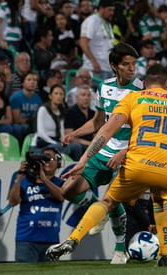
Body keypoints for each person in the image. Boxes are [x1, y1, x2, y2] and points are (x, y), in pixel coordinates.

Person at [46, 64, 167, 267]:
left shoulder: (134, 98)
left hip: (138, 164)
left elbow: (105, 131)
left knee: (108, 202)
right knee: (161, 200)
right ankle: (164, 255)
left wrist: (84, 159)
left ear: (144, 84)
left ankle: (72, 239)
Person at [55, 43, 143, 265]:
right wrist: (74, 133)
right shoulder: (104, 87)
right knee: (69, 190)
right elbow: (97, 122)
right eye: (126, 64)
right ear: (114, 66)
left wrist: (124, 152)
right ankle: (99, 211)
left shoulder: (142, 90)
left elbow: (146, 130)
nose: (132, 68)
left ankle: (120, 250)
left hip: (128, 154)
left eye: (134, 64)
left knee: (112, 199)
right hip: (103, 151)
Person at [8, 147, 64, 262]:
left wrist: (44, 179)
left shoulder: (60, 183)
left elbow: (61, 196)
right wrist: (18, 178)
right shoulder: (25, 182)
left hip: (51, 240)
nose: (47, 162)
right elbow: (13, 202)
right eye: (44, 159)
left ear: (58, 163)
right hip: (26, 240)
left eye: (51, 158)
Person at [31, 84, 82, 161]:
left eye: (61, 94)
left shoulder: (61, 111)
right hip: (41, 144)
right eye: (56, 94)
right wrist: (55, 143)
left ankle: (76, 169)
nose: (59, 96)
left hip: (56, 141)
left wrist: (62, 141)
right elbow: (41, 133)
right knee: (62, 148)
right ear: (50, 96)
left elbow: (61, 132)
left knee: (76, 147)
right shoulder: (43, 109)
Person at [79, 0, 115, 80]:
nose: (112, 13)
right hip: (94, 68)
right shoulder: (92, 21)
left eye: (113, 10)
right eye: (109, 10)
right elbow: (83, 42)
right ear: (101, 8)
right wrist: (93, 62)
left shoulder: (107, 23)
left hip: (107, 68)